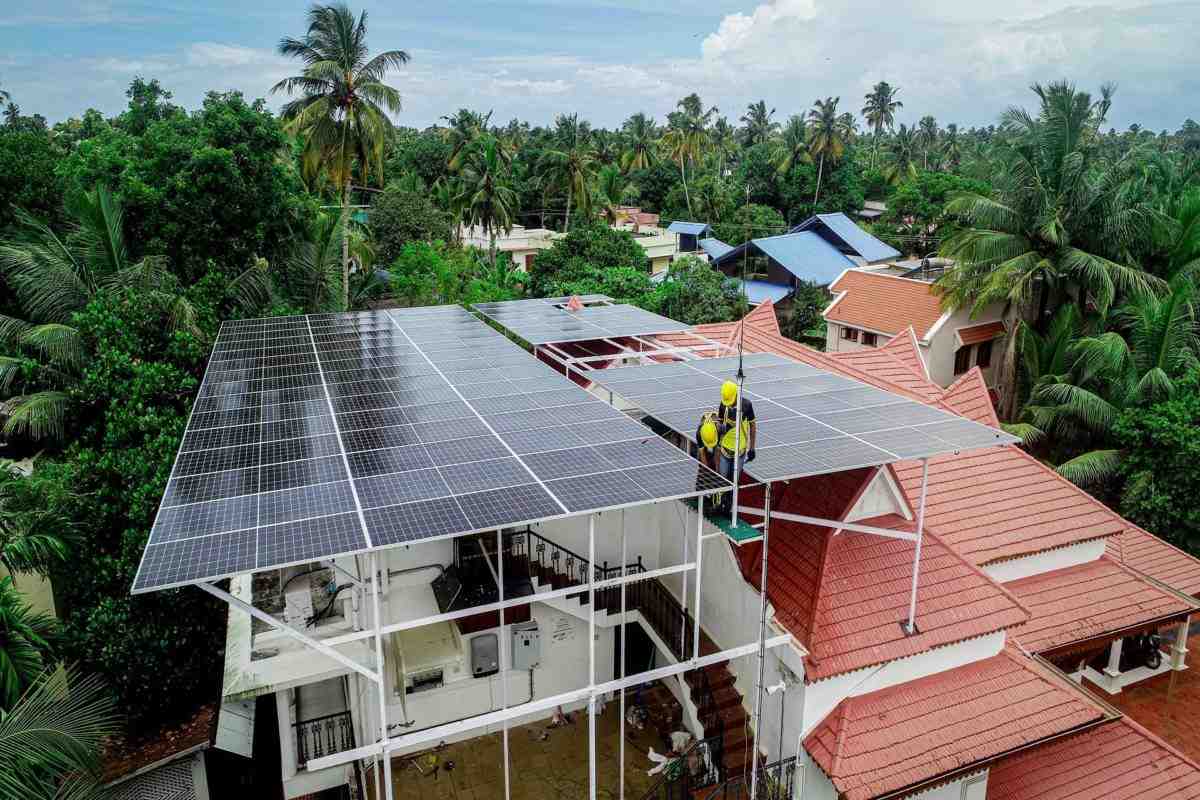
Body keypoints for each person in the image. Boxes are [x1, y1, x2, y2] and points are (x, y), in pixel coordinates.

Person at [716, 379, 756, 513]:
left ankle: (729, 508)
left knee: (734, 482)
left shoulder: (746, 405)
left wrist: (752, 448)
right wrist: (722, 428)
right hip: (724, 450)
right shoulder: (723, 405)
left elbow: (752, 425)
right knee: (722, 480)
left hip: (739, 450)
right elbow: (718, 423)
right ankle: (720, 504)